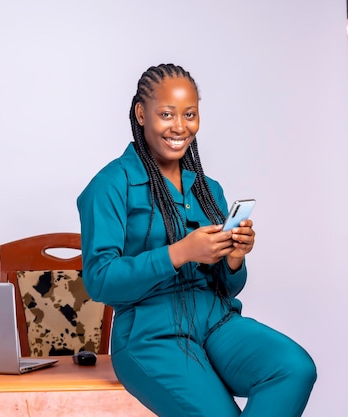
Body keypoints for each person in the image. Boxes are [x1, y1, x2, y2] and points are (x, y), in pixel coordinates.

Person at [76, 63, 316, 416]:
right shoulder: (110, 185)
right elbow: (100, 282)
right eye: (167, 114)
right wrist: (179, 253)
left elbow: (228, 287)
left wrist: (234, 257)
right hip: (150, 335)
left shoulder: (207, 190)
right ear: (141, 114)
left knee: (294, 369)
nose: (180, 126)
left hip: (215, 321)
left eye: (190, 114)